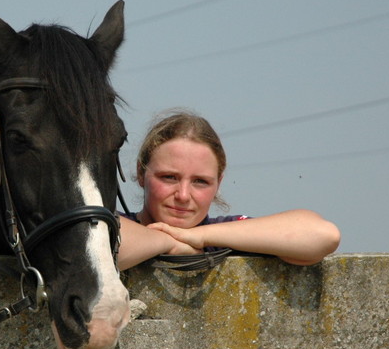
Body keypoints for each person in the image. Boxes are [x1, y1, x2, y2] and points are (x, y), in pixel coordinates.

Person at [117, 111, 340, 270]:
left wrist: (197, 237)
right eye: (169, 177)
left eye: (200, 182)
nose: (183, 195)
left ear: (219, 183)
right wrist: (171, 242)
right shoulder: (110, 221)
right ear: (140, 173)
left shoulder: (224, 235)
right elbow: (98, 250)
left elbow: (323, 235)